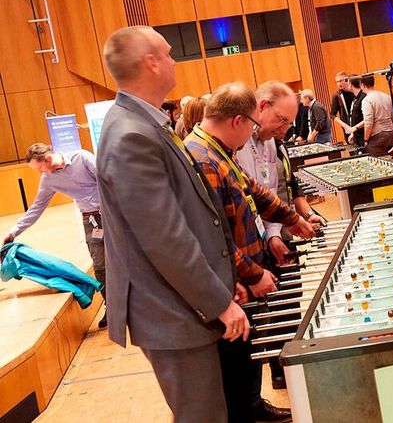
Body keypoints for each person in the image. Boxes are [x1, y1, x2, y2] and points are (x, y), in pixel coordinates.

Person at [97, 26, 247, 423]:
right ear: (151, 63)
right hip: (171, 309)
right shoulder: (131, 134)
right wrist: (219, 301)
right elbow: (166, 238)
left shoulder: (144, 123)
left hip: (181, 304)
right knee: (202, 416)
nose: (174, 59)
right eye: (168, 53)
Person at [185, 82, 314, 423]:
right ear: (239, 120)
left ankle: (252, 405)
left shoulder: (218, 149)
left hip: (243, 269)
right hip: (231, 279)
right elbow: (216, 239)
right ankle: (244, 412)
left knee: (249, 349)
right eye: (252, 126)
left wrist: (292, 218)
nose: (254, 134)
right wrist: (251, 274)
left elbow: (253, 190)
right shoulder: (201, 159)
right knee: (235, 360)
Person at [237, 80, 327, 391]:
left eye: (290, 122)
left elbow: (272, 190)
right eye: (282, 120)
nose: (286, 128)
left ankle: (285, 372)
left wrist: (276, 233)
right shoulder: (237, 143)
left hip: (269, 237)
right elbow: (246, 198)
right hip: (244, 250)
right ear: (261, 107)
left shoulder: (271, 143)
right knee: (256, 322)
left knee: (286, 303)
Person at [4, 143, 108, 327]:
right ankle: (112, 308)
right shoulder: (48, 179)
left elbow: (107, 181)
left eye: (39, 168)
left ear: (48, 159)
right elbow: (36, 208)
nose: (39, 173)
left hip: (112, 214)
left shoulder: (82, 157)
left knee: (129, 257)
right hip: (90, 220)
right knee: (100, 265)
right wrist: (13, 232)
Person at [358, 74, 393, 156]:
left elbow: (368, 123)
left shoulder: (367, 100)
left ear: (362, 85)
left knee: (380, 165)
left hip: (378, 137)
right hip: (391, 134)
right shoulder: (387, 96)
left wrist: (366, 140)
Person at [330, 72, 354, 141]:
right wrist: (345, 125)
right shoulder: (337, 95)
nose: (339, 84)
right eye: (337, 82)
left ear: (346, 80)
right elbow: (332, 115)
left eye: (340, 81)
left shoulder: (354, 91)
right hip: (347, 125)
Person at [345, 76, 366, 147]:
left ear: (350, 84)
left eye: (347, 83)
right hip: (358, 136)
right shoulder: (356, 98)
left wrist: (354, 128)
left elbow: (367, 119)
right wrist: (353, 133)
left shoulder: (363, 97)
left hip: (364, 136)